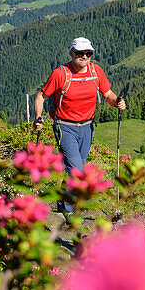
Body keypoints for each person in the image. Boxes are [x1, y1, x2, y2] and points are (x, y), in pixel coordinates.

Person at [34, 37, 125, 212]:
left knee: (75, 168)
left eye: (88, 53)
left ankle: (63, 198)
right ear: (71, 53)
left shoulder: (95, 71)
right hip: (65, 126)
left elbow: (108, 94)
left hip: (87, 127)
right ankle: (72, 214)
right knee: (77, 171)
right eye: (80, 53)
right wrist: (38, 117)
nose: (84, 57)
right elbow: (41, 96)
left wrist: (118, 102)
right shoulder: (60, 74)